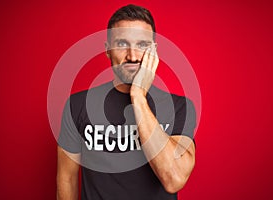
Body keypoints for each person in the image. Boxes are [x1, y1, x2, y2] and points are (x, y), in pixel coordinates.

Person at [57, 4, 196, 200]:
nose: (132, 56)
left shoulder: (180, 107)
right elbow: (67, 180)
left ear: (154, 51)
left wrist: (138, 95)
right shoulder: (77, 105)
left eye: (142, 45)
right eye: (122, 44)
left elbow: (174, 179)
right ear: (107, 50)